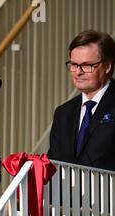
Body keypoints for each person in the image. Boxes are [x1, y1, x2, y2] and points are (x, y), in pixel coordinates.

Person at [48, 30, 115, 171]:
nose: (78, 72)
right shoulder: (63, 113)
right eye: (74, 65)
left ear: (107, 66)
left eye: (86, 65)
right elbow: (53, 165)